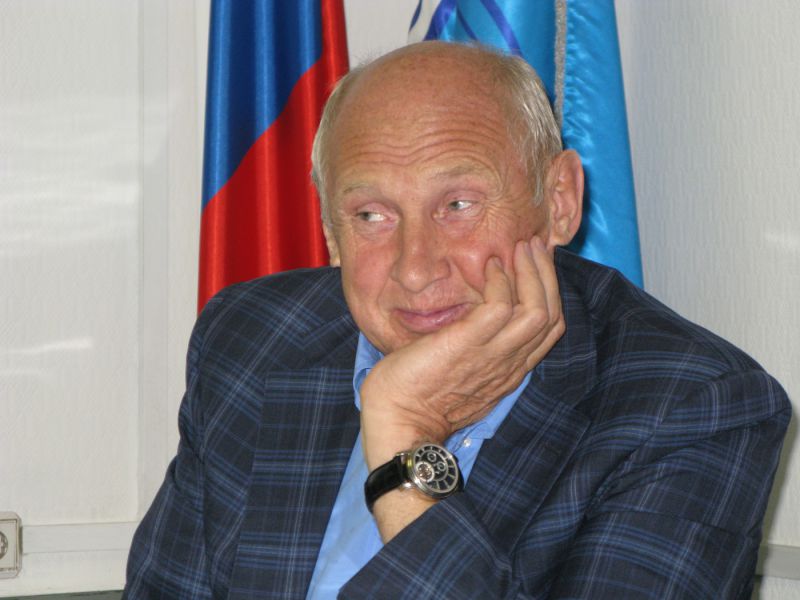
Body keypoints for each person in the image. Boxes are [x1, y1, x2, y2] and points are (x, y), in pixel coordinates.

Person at [124, 41, 790, 599]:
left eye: (459, 205)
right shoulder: (255, 338)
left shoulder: (692, 406)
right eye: (371, 215)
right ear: (329, 228)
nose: (416, 267)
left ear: (558, 200)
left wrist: (405, 440)